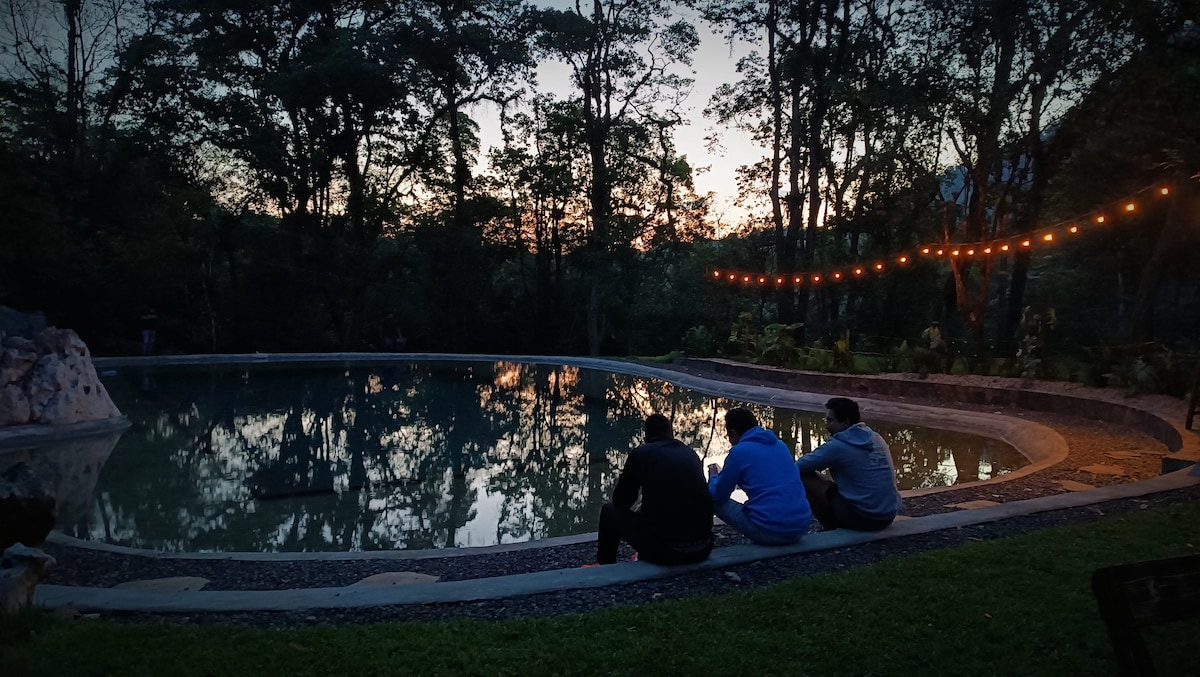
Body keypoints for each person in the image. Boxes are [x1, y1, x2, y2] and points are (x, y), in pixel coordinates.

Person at [593, 414, 714, 566]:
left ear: (646, 437)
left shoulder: (641, 454)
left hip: (666, 552)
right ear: (672, 433)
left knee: (608, 511)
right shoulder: (690, 454)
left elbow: (621, 502)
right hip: (703, 547)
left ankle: (605, 566)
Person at [707, 407, 811, 545]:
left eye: (728, 436)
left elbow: (719, 496)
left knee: (709, 498)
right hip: (801, 528)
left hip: (771, 532)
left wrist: (713, 477)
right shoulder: (780, 445)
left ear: (733, 432)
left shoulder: (738, 452)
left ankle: (699, 540)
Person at [796, 397, 902, 531]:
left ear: (845, 422)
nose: (826, 425)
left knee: (804, 476)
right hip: (887, 516)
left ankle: (831, 528)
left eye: (830, 420)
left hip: (864, 518)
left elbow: (797, 467)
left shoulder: (838, 446)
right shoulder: (875, 437)